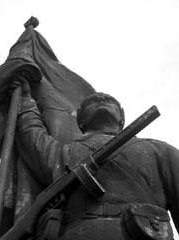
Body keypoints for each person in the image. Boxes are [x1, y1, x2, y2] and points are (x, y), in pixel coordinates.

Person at [11, 76, 179, 240]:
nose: (101, 100)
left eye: (110, 101)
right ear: (81, 121)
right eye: (92, 102)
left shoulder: (160, 150)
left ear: (122, 119)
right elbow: (31, 136)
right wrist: (26, 99)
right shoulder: (65, 153)